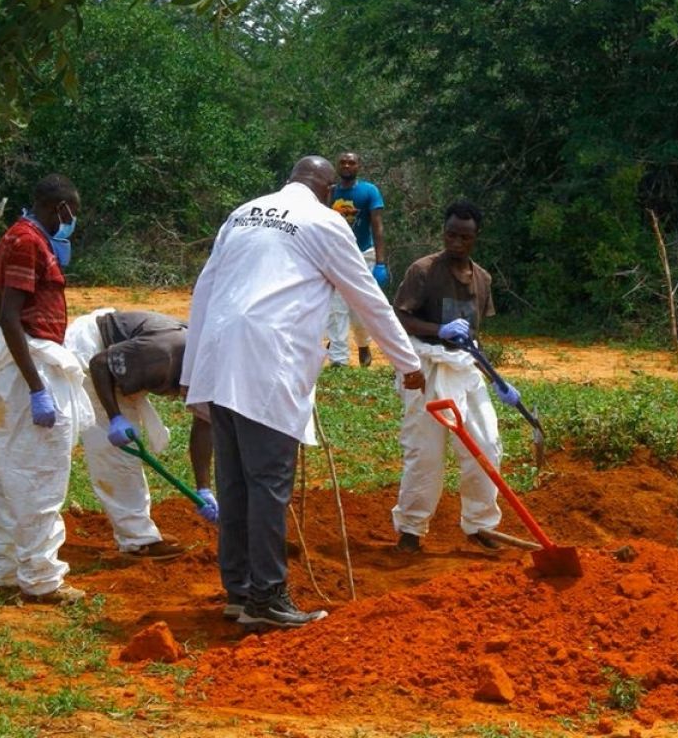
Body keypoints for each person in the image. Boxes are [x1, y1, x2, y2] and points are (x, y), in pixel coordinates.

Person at [182, 155, 425, 629]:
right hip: (266, 362)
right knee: (269, 485)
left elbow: (204, 290)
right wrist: (408, 363)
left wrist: (194, 374)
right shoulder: (323, 221)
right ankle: (267, 599)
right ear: (325, 188)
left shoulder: (243, 212)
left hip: (219, 355)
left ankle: (239, 592)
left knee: (234, 485)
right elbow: (366, 296)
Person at [0, 174, 93, 605]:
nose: (73, 221)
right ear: (61, 208)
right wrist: (36, 386)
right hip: (31, 366)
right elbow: (9, 316)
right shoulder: (27, 243)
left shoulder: (18, 238)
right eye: (72, 213)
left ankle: (2, 571)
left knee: (5, 470)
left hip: (18, 367)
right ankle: (41, 579)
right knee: (39, 474)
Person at [390, 200, 521, 553]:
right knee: (425, 451)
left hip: (464, 368)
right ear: (443, 233)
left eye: (464, 237)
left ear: (475, 238)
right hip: (428, 366)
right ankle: (411, 530)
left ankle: (480, 524)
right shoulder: (423, 271)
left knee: (486, 444)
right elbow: (399, 318)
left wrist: (496, 379)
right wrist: (439, 329)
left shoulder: (482, 279)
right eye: (451, 235)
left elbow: (473, 338)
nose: (456, 242)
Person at [64, 309, 218, 560]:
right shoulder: (163, 355)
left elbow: (204, 422)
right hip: (92, 353)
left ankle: (137, 533)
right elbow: (100, 364)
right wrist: (114, 417)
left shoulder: (208, 367)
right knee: (115, 456)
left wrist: (204, 489)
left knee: (124, 453)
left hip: (126, 358)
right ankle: (138, 541)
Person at [324, 152, 389, 367]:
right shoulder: (330, 192)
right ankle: (339, 359)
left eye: (351, 162)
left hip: (362, 254)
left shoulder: (369, 191)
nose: (347, 166)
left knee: (359, 309)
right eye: (342, 162)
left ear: (358, 166)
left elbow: (377, 226)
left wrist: (380, 263)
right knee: (336, 308)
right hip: (335, 254)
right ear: (337, 165)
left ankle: (363, 344)